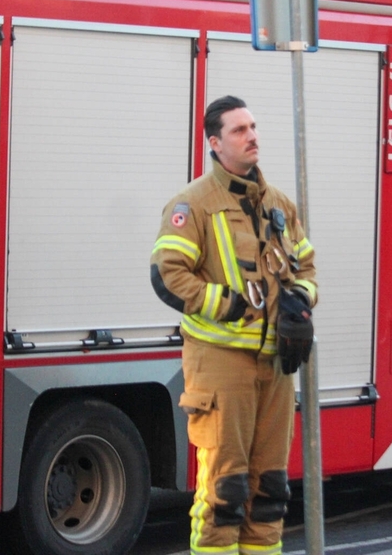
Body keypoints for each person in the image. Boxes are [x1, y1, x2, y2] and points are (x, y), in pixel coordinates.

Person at [150, 95, 318, 555]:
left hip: (276, 366)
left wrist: (298, 305)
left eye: (254, 127)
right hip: (221, 367)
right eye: (240, 130)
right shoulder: (194, 204)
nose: (252, 136)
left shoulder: (278, 203)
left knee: (270, 494)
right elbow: (168, 274)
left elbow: (306, 267)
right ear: (215, 143)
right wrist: (228, 305)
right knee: (225, 494)